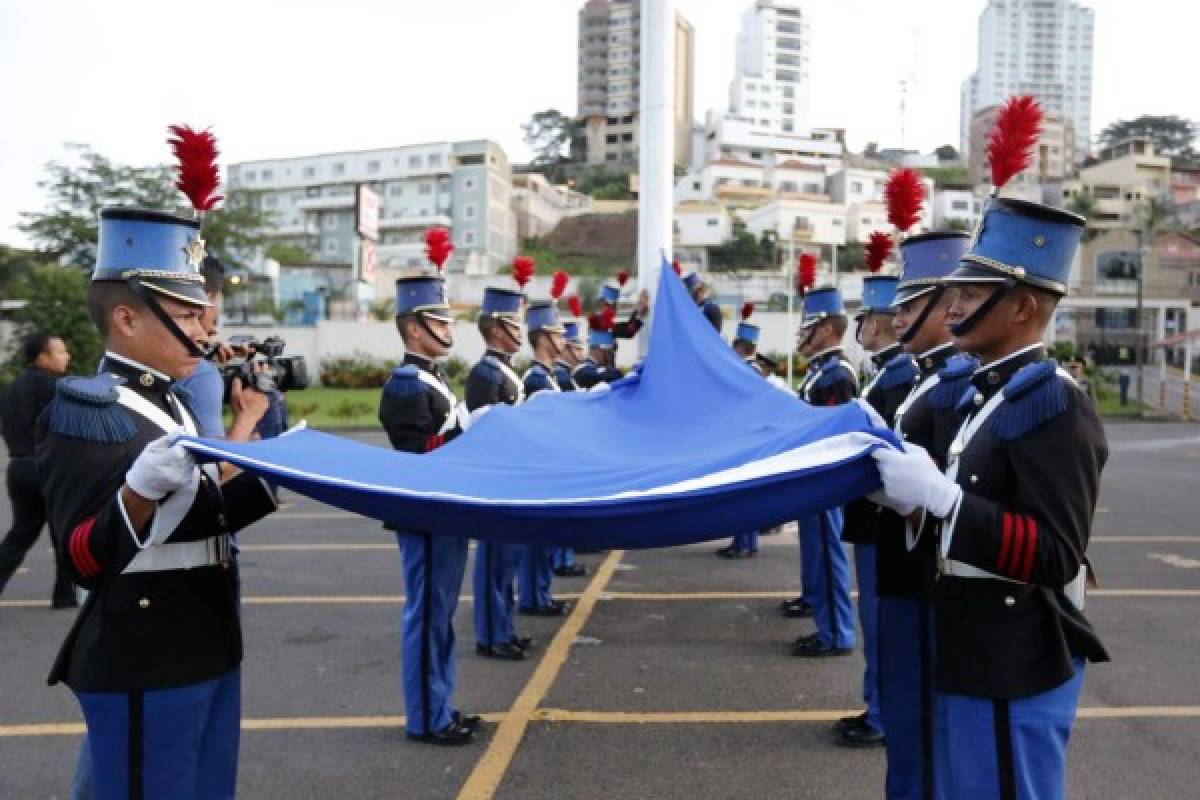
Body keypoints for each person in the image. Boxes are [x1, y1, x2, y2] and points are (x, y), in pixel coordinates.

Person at [871, 196, 1109, 799]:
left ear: (1025, 306)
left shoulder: (1052, 403)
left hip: (1014, 657)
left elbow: (1056, 552)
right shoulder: (988, 395)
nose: (953, 306)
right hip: (970, 646)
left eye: (973, 296)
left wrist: (946, 504)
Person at [37, 206, 276, 798]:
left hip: (205, 644)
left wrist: (271, 460)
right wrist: (137, 491)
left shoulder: (173, 403)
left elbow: (201, 516)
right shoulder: (86, 412)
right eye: (188, 315)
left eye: (203, 314)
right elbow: (81, 559)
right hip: (146, 655)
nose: (204, 331)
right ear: (125, 317)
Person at [876, 230, 973, 797]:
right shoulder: (927, 380)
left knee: (923, 731)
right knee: (906, 726)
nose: (897, 319)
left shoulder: (952, 383)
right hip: (902, 573)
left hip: (924, 582)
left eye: (911, 306)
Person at [378, 273, 479, 745]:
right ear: (414, 328)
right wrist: (474, 433)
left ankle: (441, 704)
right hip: (425, 512)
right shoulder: (405, 385)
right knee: (426, 617)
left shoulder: (432, 378)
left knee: (441, 616)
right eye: (437, 320)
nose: (447, 328)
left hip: (446, 511)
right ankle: (425, 718)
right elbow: (418, 454)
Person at [834, 274, 917, 748]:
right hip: (872, 516)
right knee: (876, 623)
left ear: (885, 322)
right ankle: (879, 705)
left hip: (884, 516)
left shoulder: (899, 376)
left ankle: (885, 713)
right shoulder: (885, 374)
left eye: (864, 317)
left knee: (884, 624)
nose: (859, 326)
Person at [790, 286, 858, 658]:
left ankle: (835, 633)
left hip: (824, 480)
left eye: (809, 328)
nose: (803, 336)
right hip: (812, 478)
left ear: (828, 330)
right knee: (816, 550)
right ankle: (818, 609)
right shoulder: (822, 372)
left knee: (829, 555)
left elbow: (835, 433)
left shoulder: (836, 374)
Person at [467, 286, 532, 661]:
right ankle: (491, 634)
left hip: (512, 479)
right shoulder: (485, 374)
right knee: (493, 563)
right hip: (495, 481)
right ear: (495, 329)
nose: (520, 331)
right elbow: (485, 431)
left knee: (506, 563)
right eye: (514, 323)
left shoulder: (504, 371)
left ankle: (504, 626)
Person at [0, 333, 76, 608]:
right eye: (60, 352)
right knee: (64, 531)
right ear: (42, 358)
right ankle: (65, 595)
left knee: (20, 534)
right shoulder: (55, 386)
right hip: (47, 467)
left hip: (18, 466)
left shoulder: (11, 388)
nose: (66, 357)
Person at [518, 300, 570, 617]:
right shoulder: (537, 380)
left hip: (549, 470)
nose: (564, 342)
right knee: (534, 544)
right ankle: (532, 596)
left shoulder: (547, 377)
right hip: (538, 472)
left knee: (544, 543)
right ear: (544, 338)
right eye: (559, 335)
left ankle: (540, 593)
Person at [716, 305, 766, 559]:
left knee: (743, 495)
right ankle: (744, 541)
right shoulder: (754, 370)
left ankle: (745, 542)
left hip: (746, 439)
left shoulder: (747, 371)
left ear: (741, 347)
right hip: (749, 438)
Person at [550, 320, 587, 578]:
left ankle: (563, 560)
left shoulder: (557, 376)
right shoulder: (554, 377)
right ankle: (534, 596)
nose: (580, 353)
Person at [573, 325, 623, 389]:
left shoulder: (594, 367)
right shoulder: (584, 368)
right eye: (610, 352)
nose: (613, 356)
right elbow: (613, 376)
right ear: (599, 350)